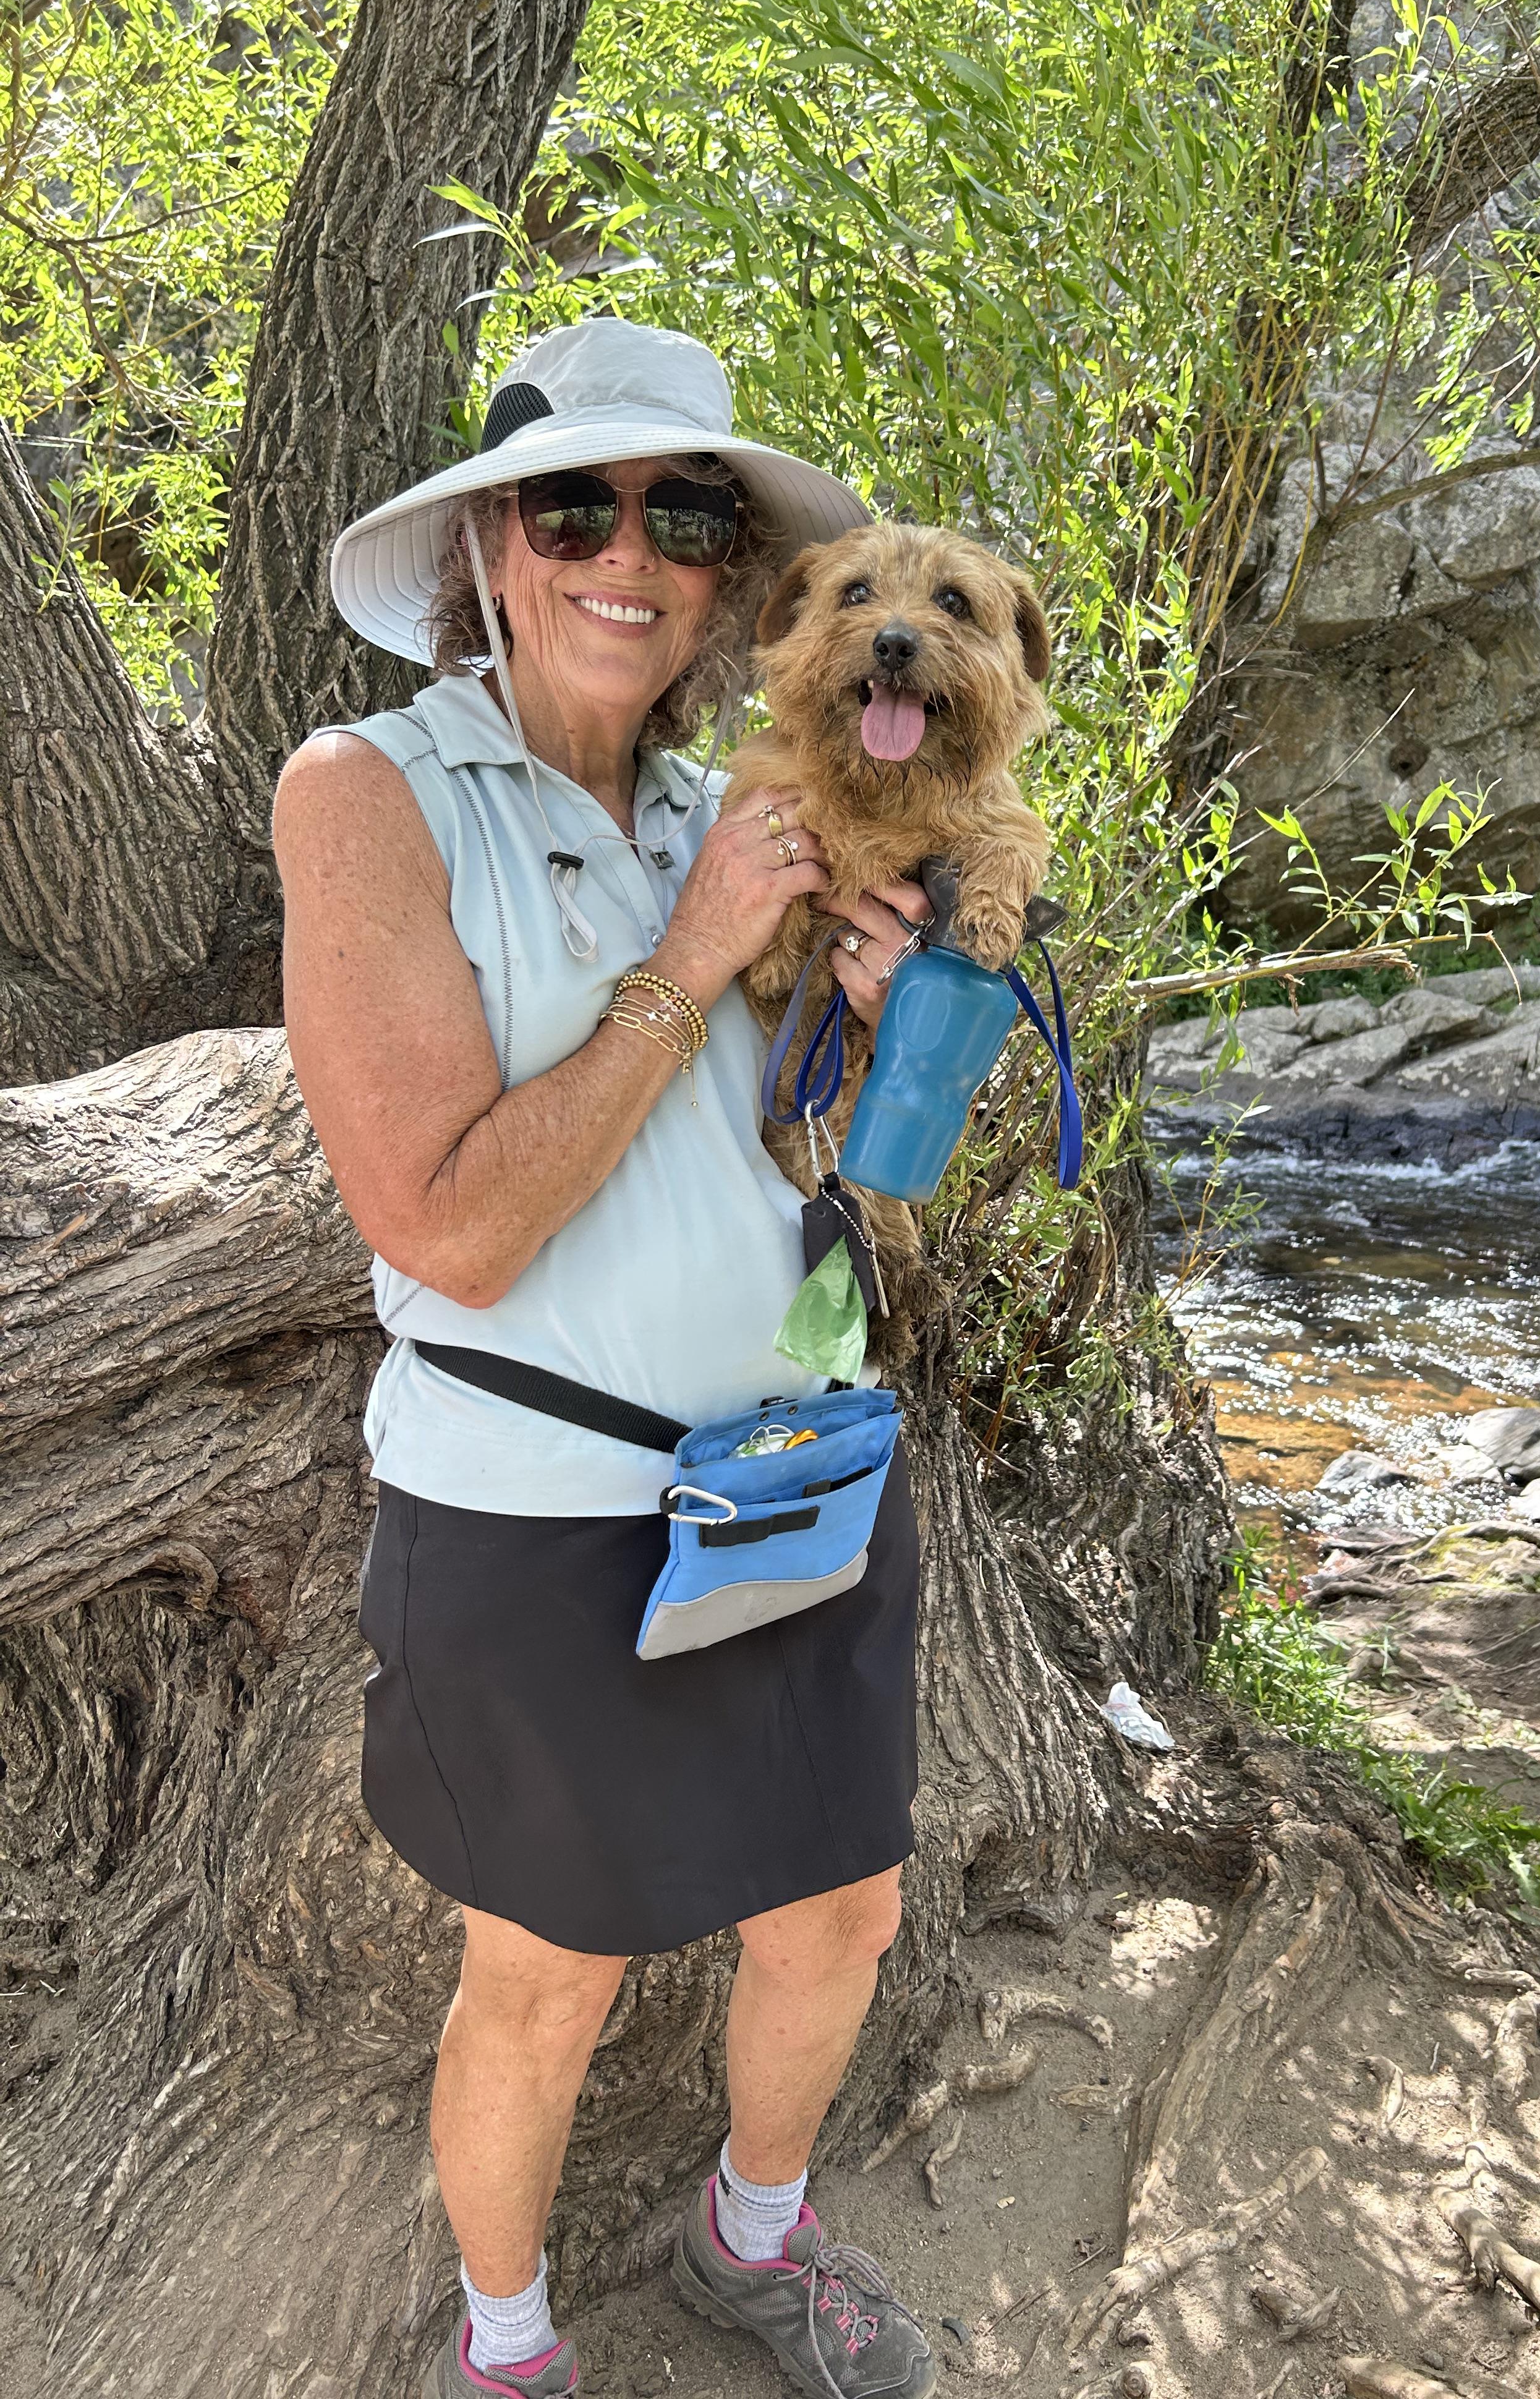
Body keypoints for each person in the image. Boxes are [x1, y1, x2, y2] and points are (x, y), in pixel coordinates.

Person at [274, 317, 937, 2399]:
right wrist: (694, 955)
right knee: (548, 1975)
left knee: (842, 1909)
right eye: (574, 509)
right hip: (540, 1510)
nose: (628, 555)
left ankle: (757, 2236)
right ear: (489, 548)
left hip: (795, 1473)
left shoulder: (741, 809)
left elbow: (826, 1163)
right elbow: (447, 1225)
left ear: (731, 574)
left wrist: (871, 1022)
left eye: (684, 515)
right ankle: (506, 2346)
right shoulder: (373, 793)